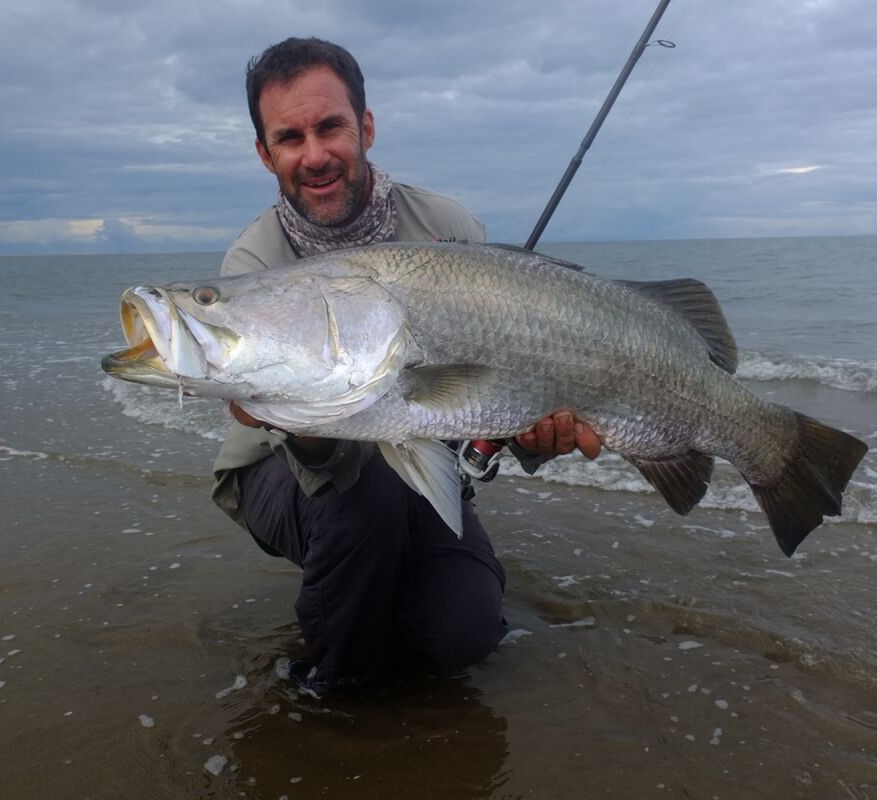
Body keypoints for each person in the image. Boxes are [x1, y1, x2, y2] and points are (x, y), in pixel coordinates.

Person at [211, 37, 600, 698]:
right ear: (264, 153)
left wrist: (534, 434)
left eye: (330, 127)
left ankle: (375, 603)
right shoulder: (253, 266)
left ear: (365, 128)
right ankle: (335, 688)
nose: (315, 154)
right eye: (290, 138)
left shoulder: (447, 225)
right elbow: (317, 460)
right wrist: (295, 415)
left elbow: (495, 384)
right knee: (370, 490)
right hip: (280, 474)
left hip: (417, 466)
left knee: (461, 632)